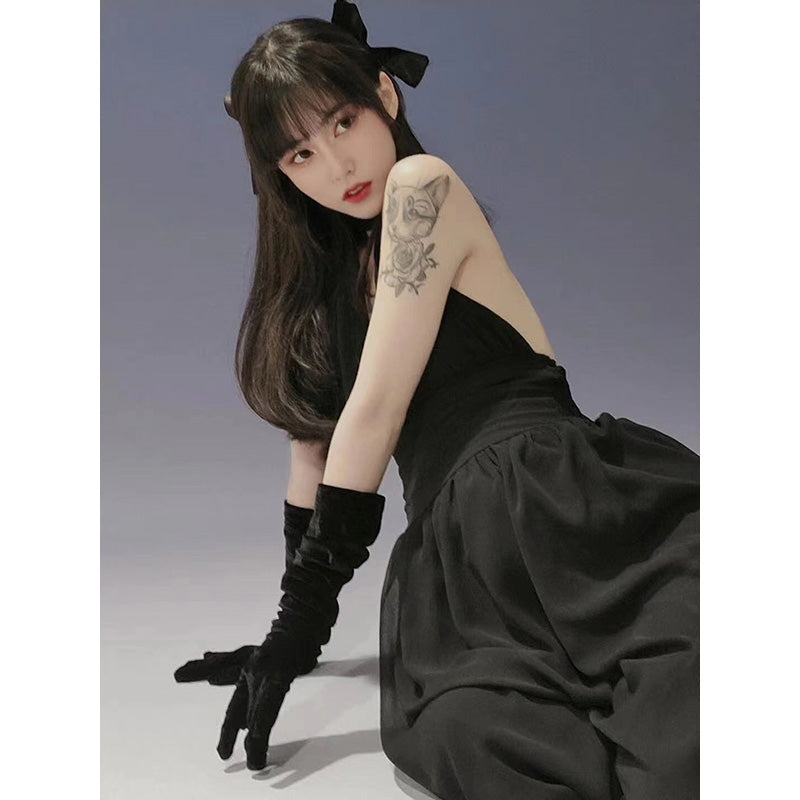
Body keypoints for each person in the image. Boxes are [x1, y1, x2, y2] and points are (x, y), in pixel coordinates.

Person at [173, 2, 700, 798]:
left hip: (561, 505)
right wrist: (290, 641)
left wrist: (305, 613)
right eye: (301, 154)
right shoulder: (326, 280)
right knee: (474, 736)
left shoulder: (425, 189)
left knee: (689, 705)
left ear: (386, 94)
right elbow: (314, 449)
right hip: (464, 555)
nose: (337, 165)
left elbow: (376, 410)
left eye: (344, 121)